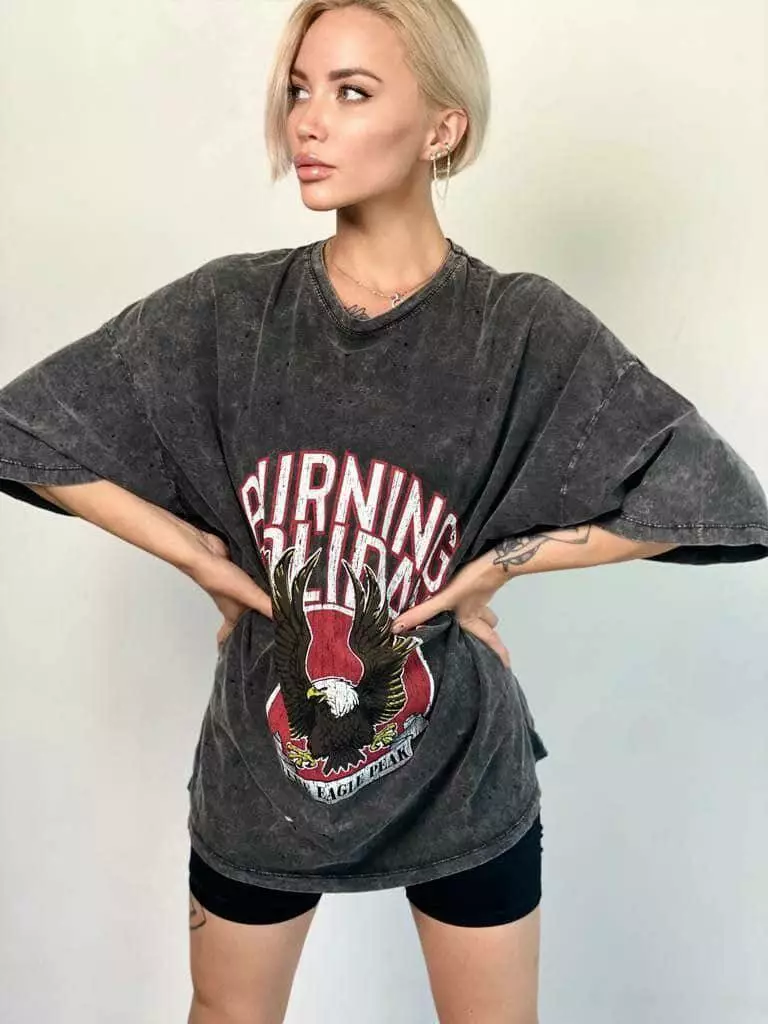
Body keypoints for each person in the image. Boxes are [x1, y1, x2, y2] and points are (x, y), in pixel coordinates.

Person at [1, 2, 766, 1022]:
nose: (308, 121)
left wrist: (504, 563)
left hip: (459, 771)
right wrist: (196, 554)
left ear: (444, 127)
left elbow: (713, 494)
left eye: (351, 92)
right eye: (300, 90)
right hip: (264, 771)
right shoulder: (230, 313)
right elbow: (27, 430)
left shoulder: (517, 328)